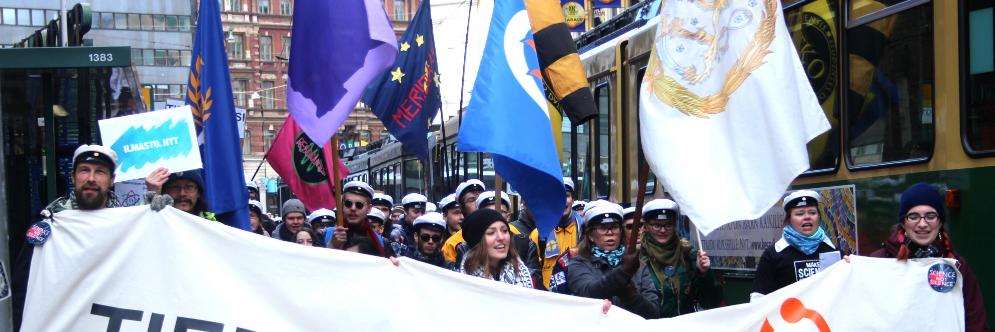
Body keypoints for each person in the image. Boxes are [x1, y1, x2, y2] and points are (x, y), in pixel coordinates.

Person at [12, 144, 122, 329]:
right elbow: (22, 289)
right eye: (84, 170)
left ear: (112, 180)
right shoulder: (49, 225)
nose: (91, 179)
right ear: (73, 177)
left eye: (100, 172)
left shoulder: (127, 227)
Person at [869, 183, 989, 331]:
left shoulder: (957, 267)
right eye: (913, 216)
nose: (922, 224)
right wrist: (851, 271)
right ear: (903, 222)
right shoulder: (879, 262)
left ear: (940, 222)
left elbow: (975, 321)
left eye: (930, 216)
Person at [567, 202, 659, 319]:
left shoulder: (638, 266)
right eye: (603, 228)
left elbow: (654, 313)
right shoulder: (579, 263)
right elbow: (588, 292)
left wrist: (632, 297)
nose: (609, 233)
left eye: (614, 227)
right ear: (590, 235)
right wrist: (623, 273)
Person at [637, 198, 721, 317]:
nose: (663, 230)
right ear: (646, 226)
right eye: (656, 225)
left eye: (668, 225)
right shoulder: (637, 257)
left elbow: (710, 303)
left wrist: (704, 273)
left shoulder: (688, 254)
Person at [753, 190, 838, 295]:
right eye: (799, 213)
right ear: (789, 220)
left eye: (812, 212)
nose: (807, 217)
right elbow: (759, 297)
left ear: (818, 217)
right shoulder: (773, 255)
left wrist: (848, 265)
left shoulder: (832, 251)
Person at [529, 177, 584, 289]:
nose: (562, 200)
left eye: (567, 196)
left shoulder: (584, 231)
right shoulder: (538, 235)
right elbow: (532, 272)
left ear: (572, 200)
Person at [458, 209, 534, 288]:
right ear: (477, 242)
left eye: (504, 231)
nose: (501, 237)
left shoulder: (521, 272)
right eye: (491, 233)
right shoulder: (464, 284)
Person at [328, 180, 387, 256]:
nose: (353, 208)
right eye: (348, 204)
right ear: (342, 205)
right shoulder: (325, 235)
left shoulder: (381, 242)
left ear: (369, 208)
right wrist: (332, 245)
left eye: (359, 205)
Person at [145, 168, 216, 221]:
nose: (182, 193)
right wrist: (152, 196)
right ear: (164, 192)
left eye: (189, 187)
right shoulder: (150, 220)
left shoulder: (213, 226)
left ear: (198, 193)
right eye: (175, 187)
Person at [443, 179, 486, 265]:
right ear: (462, 208)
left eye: (480, 198)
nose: (478, 203)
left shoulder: (509, 232)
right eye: (471, 200)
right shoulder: (452, 244)